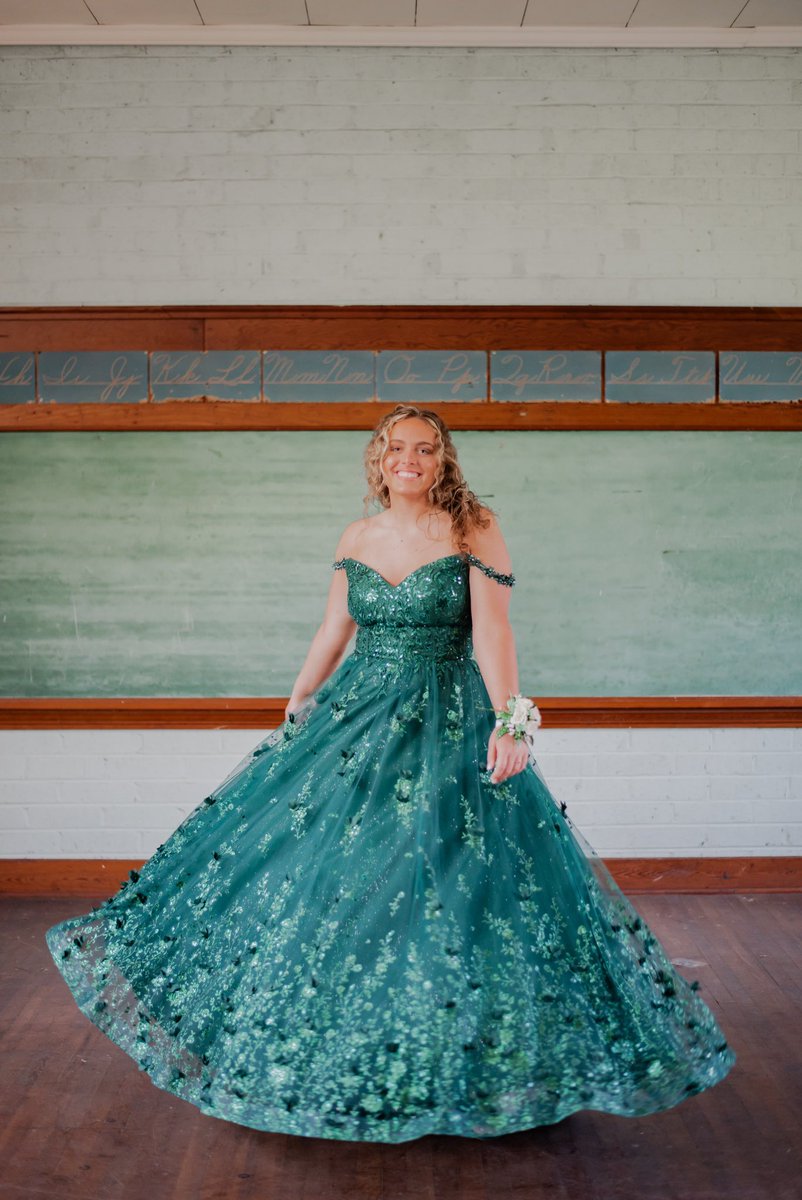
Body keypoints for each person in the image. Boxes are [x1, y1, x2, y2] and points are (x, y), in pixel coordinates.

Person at [46, 403, 736, 1143]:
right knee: (340, 876)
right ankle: (344, 1050)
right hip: (358, 717)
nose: (409, 458)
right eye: (395, 447)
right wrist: (299, 698)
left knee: (455, 880)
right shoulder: (357, 536)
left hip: (449, 716)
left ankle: (465, 1054)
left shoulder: (473, 527)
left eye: (425, 448)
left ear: (443, 460)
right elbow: (335, 627)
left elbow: (494, 629)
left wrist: (511, 721)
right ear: (378, 459)